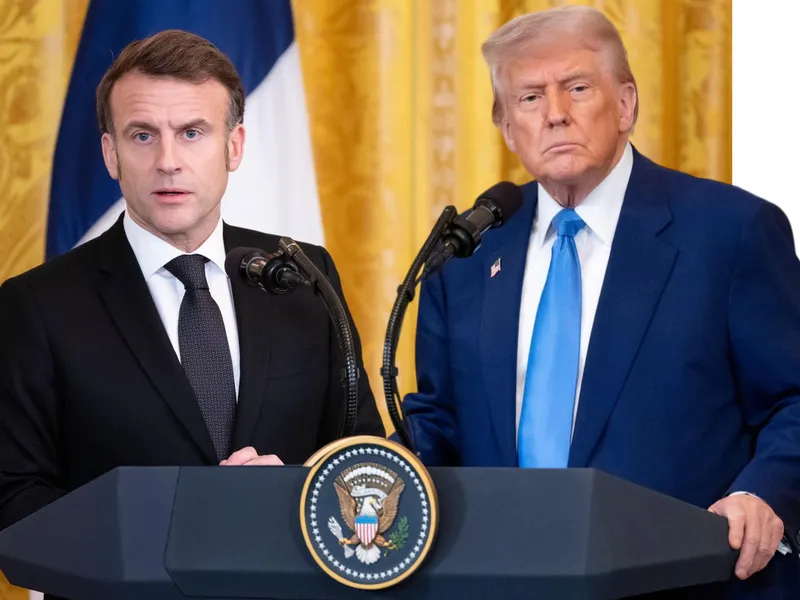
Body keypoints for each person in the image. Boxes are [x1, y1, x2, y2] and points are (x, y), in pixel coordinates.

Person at [400, 6, 800, 598]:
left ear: (626, 104)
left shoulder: (730, 232)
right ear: (507, 128)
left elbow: (793, 397)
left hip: (687, 581)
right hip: (507, 581)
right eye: (529, 98)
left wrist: (760, 493)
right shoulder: (464, 256)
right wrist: (347, 470)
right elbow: (439, 426)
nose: (555, 113)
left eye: (578, 88)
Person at [0, 30, 384, 532]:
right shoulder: (37, 306)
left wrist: (297, 493)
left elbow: (365, 461)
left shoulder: (305, 275)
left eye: (192, 133)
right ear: (111, 154)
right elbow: (14, 498)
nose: (168, 161)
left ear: (234, 146)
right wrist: (167, 525)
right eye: (143, 135)